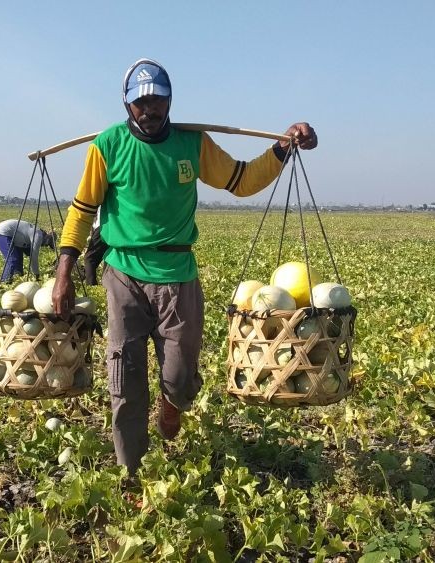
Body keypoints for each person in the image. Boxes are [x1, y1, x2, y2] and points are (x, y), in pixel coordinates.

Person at [51, 58, 317, 476]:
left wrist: (283, 148)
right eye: (141, 103)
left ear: (170, 101)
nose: (150, 110)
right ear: (126, 105)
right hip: (124, 274)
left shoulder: (192, 145)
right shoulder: (108, 145)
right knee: (125, 379)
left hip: (178, 277)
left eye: (158, 101)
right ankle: (131, 473)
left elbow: (242, 181)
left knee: (180, 377)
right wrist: (63, 273)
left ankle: (172, 405)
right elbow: (83, 210)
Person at [82, 210, 108, 285]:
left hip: (103, 226)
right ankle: (105, 285)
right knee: (109, 256)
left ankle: (91, 285)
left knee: (89, 258)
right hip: (108, 226)